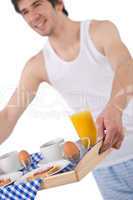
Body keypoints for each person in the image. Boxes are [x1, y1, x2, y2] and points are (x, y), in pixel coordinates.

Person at [0, 0, 133, 199]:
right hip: (102, 166)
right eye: (25, 12)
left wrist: (115, 109)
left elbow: (125, 65)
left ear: (59, 3)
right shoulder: (37, 65)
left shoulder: (99, 31)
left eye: (37, 5)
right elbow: (9, 115)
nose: (32, 16)